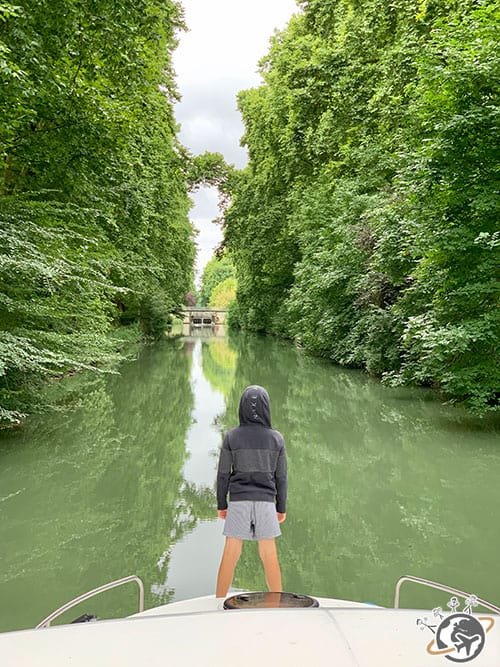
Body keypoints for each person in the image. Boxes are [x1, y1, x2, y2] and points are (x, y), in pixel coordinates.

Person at [215, 385, 288, 598]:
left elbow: (223, 474)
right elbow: (281, 477)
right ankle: (276, 603)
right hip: (266, 502)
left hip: (239, 500)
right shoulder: (276, 439)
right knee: (269, 554)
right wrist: (281, 507)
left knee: (231, 552)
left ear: (242, 407)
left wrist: (222, 504)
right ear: (266, 407)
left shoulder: (232, 437)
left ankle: (218, 602)